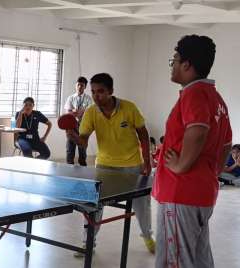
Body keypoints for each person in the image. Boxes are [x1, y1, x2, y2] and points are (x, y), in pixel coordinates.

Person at [153, 35, 232, 268]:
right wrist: (211, 172)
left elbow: (197, 130)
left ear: (186, 64)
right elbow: (227, 143)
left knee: (175, 261)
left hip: (181, 192)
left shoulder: (193, 93)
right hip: (201, 192)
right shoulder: (216, 98)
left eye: (174, 60)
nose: (172, 65)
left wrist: (181, 166)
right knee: (198, 259)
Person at [67, 73, 155, 255]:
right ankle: (88, 242)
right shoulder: (91, 112)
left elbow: (144, 134)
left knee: (141, 204)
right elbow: (83, 141)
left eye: (101, 92)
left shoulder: (129, 108)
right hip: (105, 165)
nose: (96, 96)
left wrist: (148, 162)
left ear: (111, 91)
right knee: (93, 203)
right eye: (93, 92)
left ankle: (147, 236)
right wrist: (74, 137)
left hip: (132, 164)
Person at [63, 76, 93, 166]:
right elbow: (68, 112)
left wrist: (80, 112)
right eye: (78, 85)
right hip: (71, 126)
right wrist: (75, 112)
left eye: (82, 85)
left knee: (82, 148)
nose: (80, 87)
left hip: (83, 126)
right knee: (70, 148)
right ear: (76, 85)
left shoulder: (88, 99)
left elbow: (89, 113)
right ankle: (69, 166)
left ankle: (83, 166)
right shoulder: (71, 98)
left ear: (85, 87)